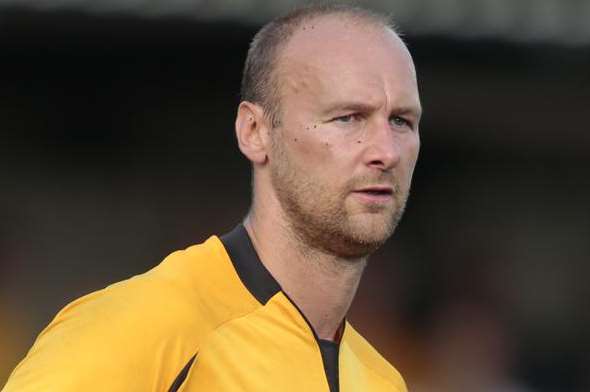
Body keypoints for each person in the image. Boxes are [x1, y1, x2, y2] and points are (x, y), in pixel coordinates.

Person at [3, 4, 421, 391]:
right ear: (254, 132)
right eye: (347, 118)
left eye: (401, 121)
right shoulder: (137, 332)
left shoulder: (381, 381)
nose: (386, 151)